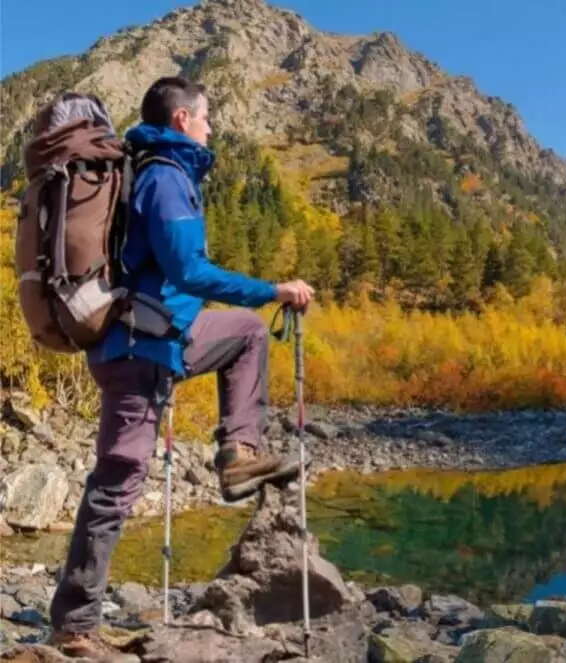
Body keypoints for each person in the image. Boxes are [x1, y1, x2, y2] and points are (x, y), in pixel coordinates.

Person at [43, 76, 315, 660]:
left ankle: (237, 455)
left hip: (160, 341)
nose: (212, 127)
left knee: (243, 335)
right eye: (207, 117)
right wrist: (273, 290)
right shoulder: (166, 175)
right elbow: (189, 270)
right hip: (138, 351)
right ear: (182, 121)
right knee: (116, 481)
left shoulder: (157, 170)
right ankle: (73, 623)